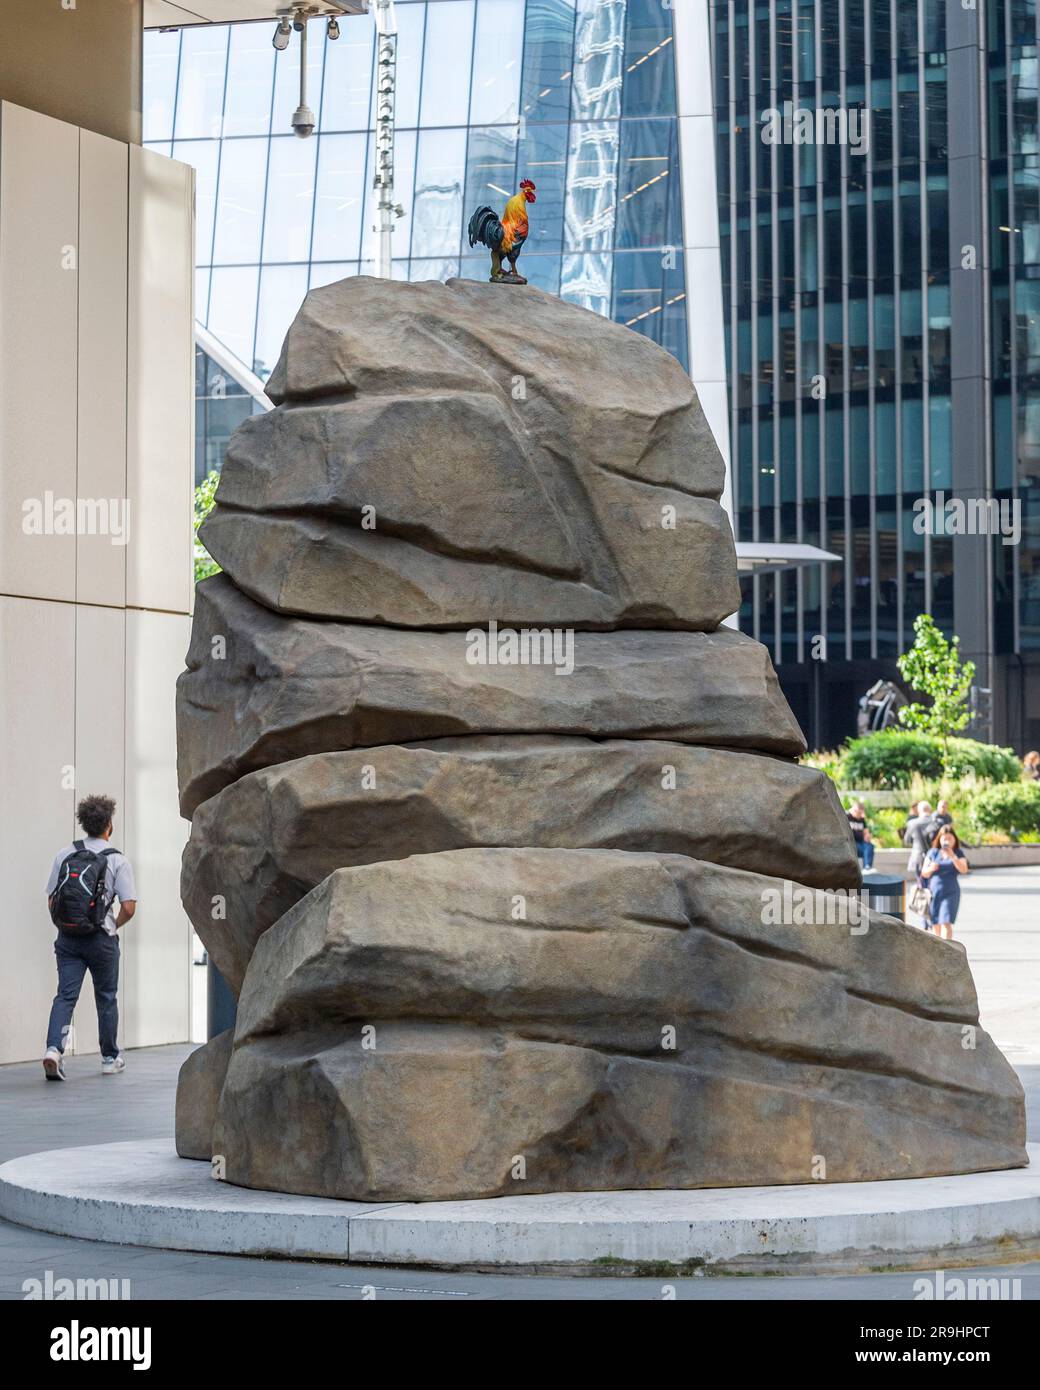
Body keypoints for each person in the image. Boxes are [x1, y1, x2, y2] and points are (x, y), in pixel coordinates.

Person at [42, 794, 137, 1081]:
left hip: (68, 938)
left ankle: (54, 1050)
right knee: (106, 997)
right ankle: (109, 1057)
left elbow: (51, 900)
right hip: (102, 939)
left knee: (65, 996)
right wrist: (113, 925)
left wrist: (67, 926)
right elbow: (129, 908)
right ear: (109, 824)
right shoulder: (118, 860)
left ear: (84, 823)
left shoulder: (65, 854)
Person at [920, 827, 969, 940]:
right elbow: (924, 873)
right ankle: (937, 951)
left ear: (955, 839)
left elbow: (964, 869)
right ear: (939, 839)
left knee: (946, 921)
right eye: (944, 838)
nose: (947, 841)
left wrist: (952, 856)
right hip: (934, 892)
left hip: (951, 891)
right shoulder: (933, 852)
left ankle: (947, 949)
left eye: (950, 838)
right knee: (935, 922)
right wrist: (931, 868)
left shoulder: (958, 853)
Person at [846, 800, 875, 871]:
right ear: (854, 810)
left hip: (861, 844)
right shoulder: (847, 817)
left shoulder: (862, 820)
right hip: (851, 844)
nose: (859, 815)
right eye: (858, 812)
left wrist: (867, 836)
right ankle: (867, 867)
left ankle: (867, 867)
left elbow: (866, 833)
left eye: (861, 813)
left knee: (870, 846)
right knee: (865, 848)